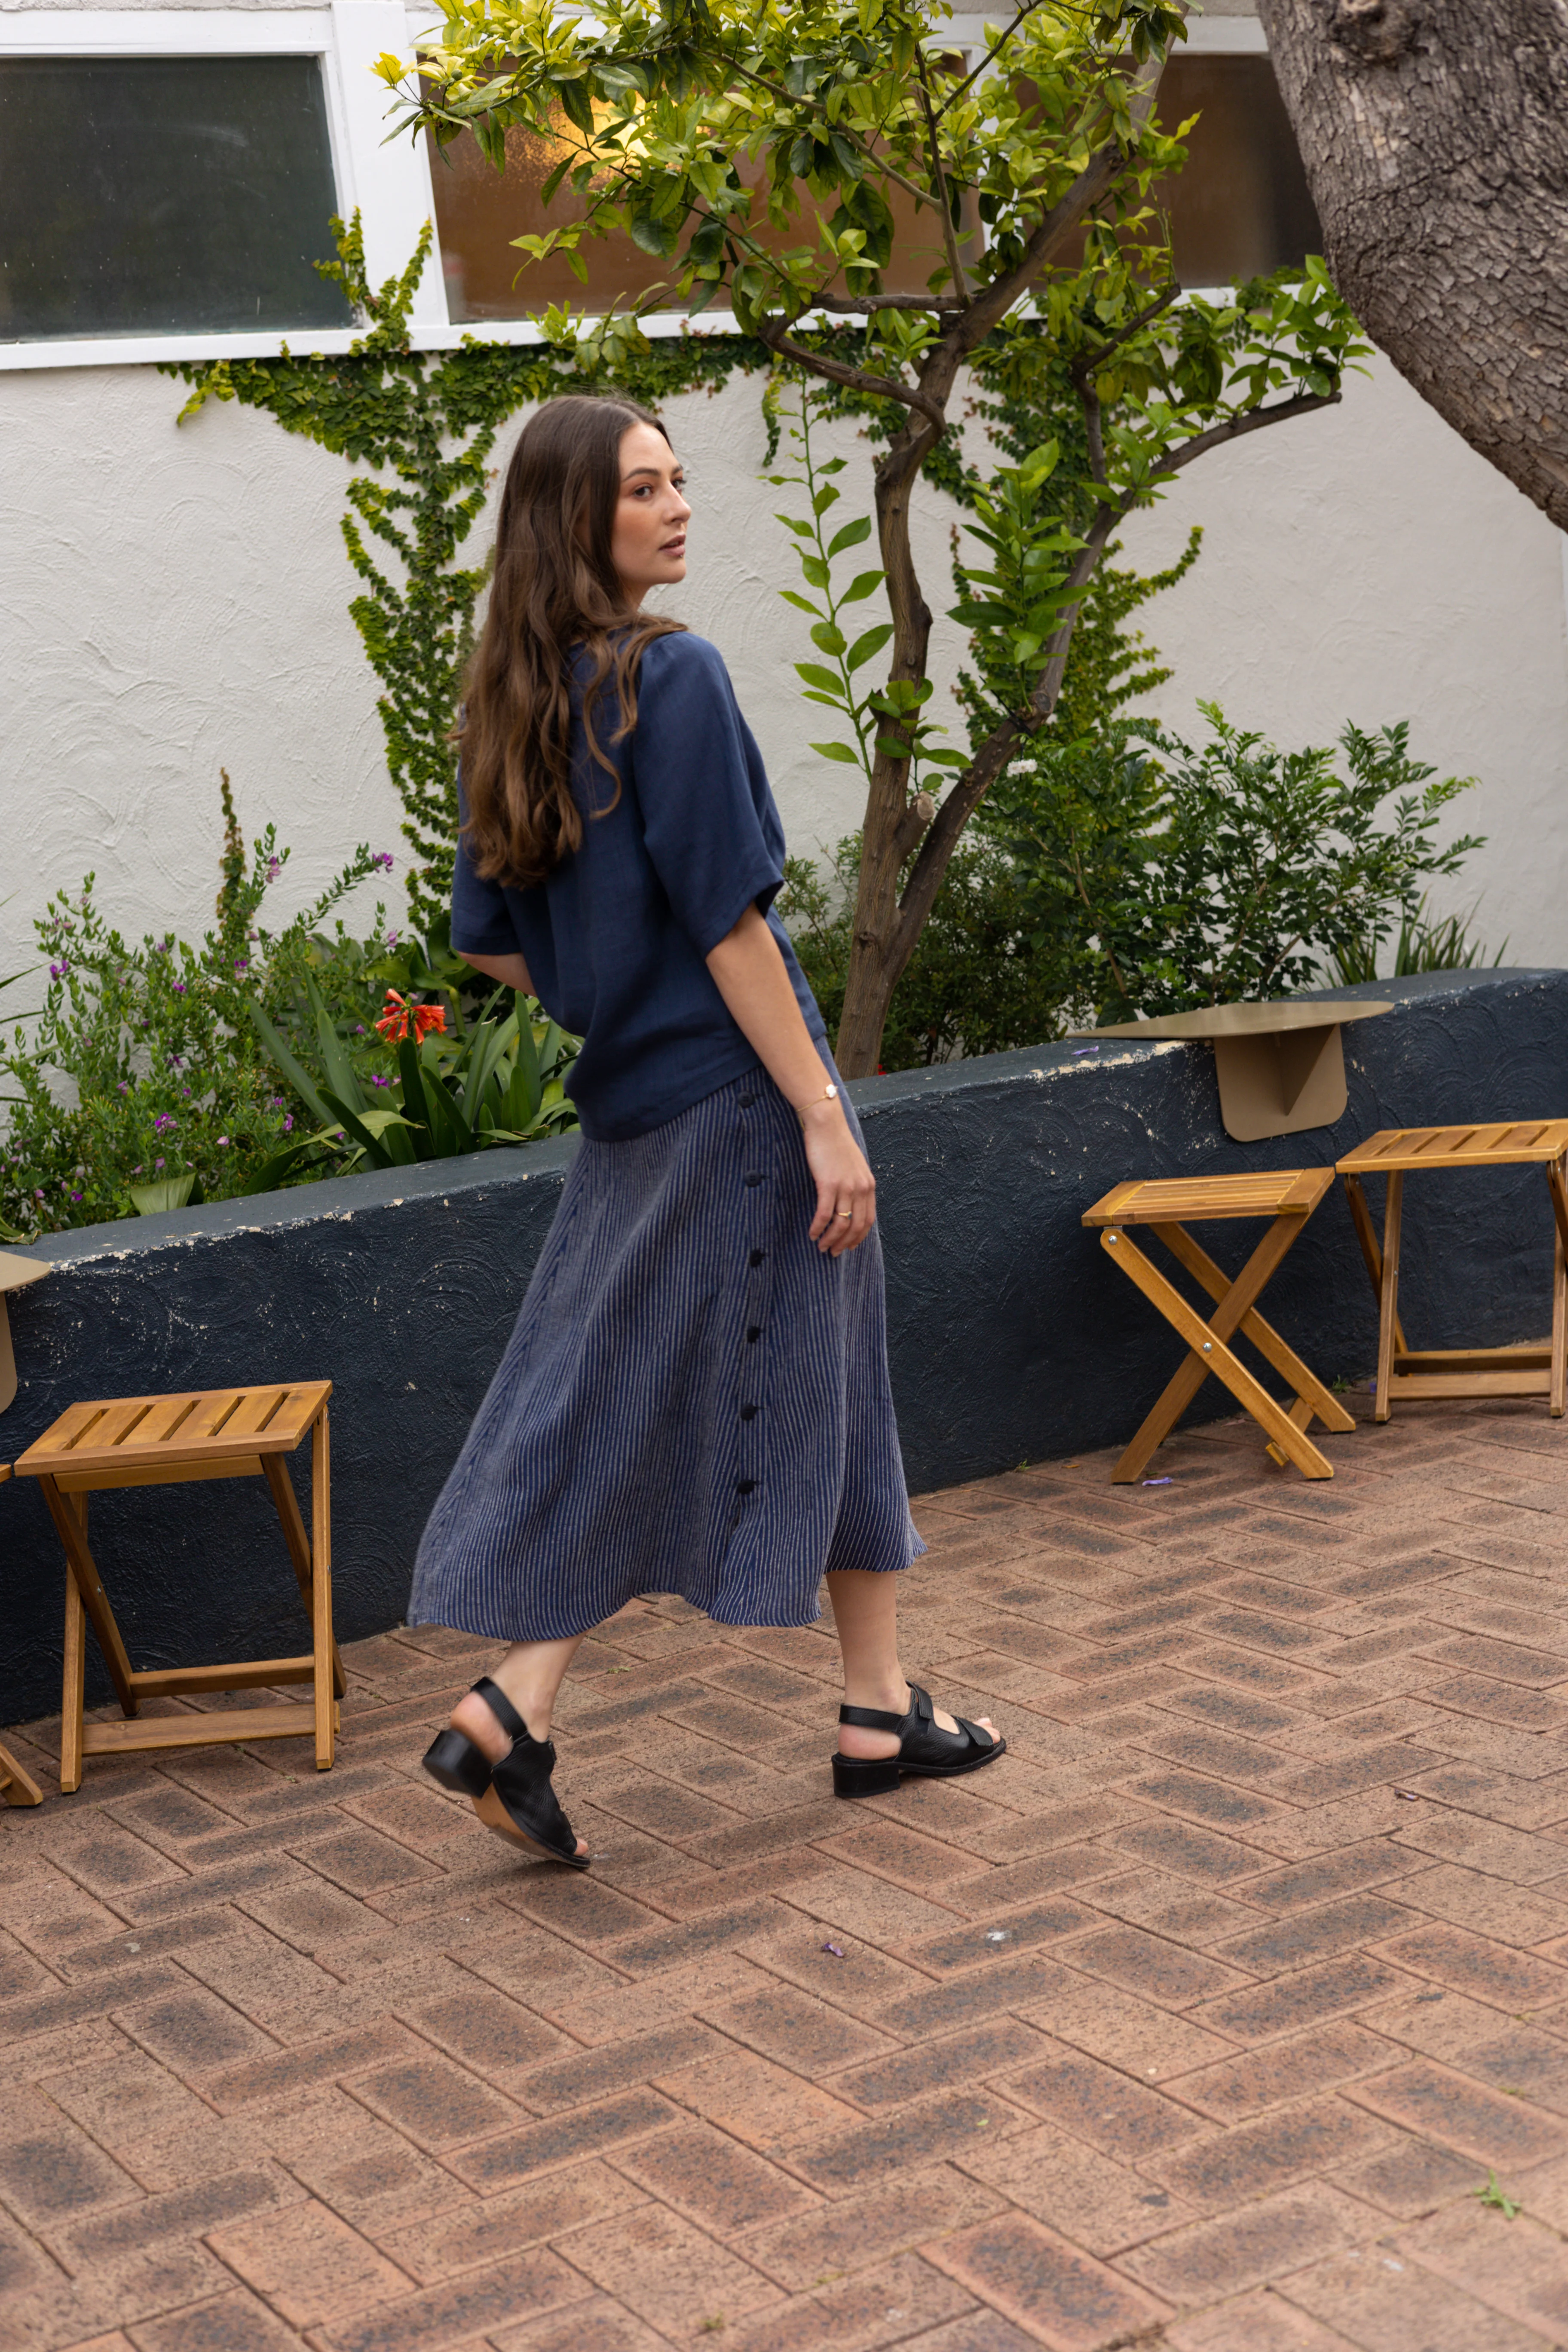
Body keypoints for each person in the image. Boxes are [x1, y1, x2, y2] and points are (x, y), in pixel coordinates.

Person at [409, 393, 1003, 1868]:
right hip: (741, 1101)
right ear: (576, 519)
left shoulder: (513, 689)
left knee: (806, 1378)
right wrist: (824, 1116)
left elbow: (487, 938)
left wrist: (604, 988)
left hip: (639, 1108)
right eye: (644, 489)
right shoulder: (670, 680)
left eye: (680, 481)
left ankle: (873, 1709)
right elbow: (732, 925)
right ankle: (513, 1703)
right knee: (661, 1404)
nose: (679, 508)